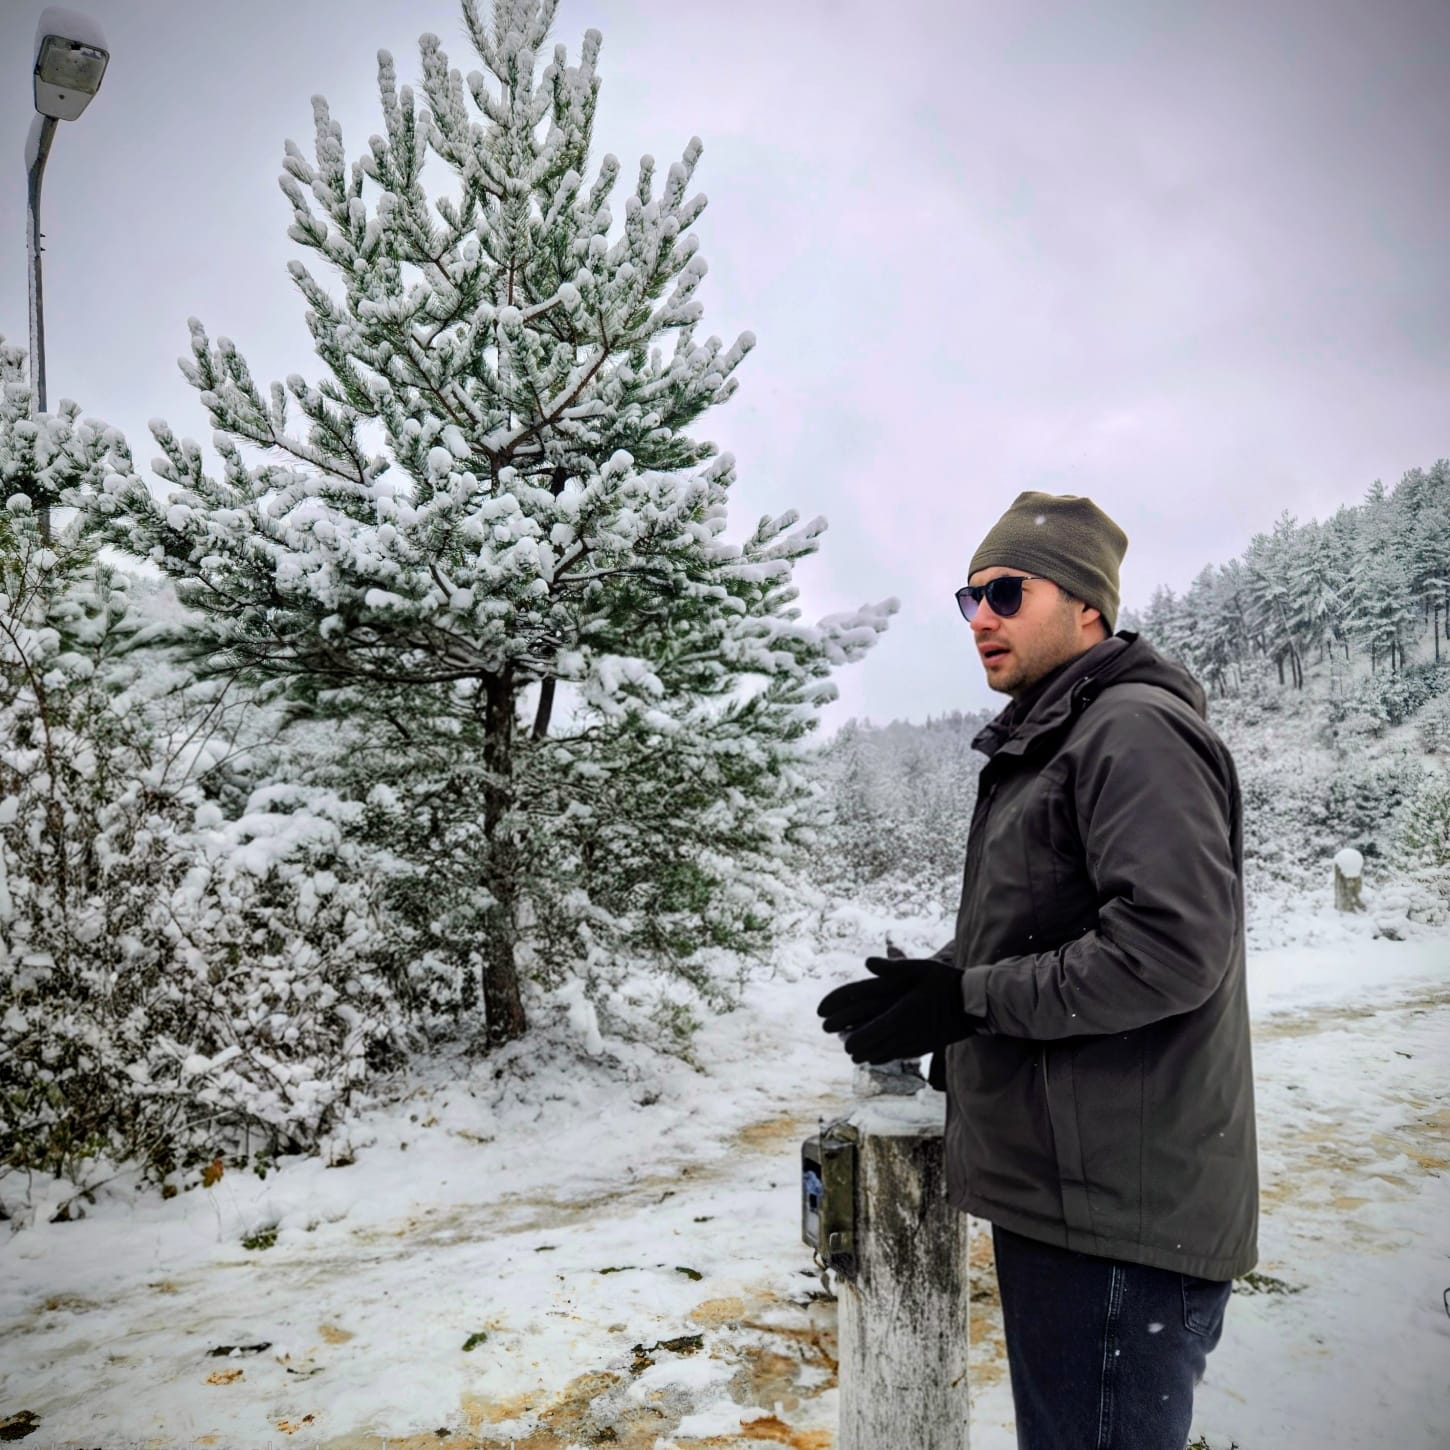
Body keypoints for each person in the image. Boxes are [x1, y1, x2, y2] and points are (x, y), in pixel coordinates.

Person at [818, 492, 1258, 1450]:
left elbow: (1169, 949)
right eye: (970, 598)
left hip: (1119, 1219)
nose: (981, 617)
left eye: (1008, 593)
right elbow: (1043, 926)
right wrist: (935, 984)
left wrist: (971, 1000)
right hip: (1076, 1201)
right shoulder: (1059, 737)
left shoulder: (1131, 731)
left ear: (1087, 605)